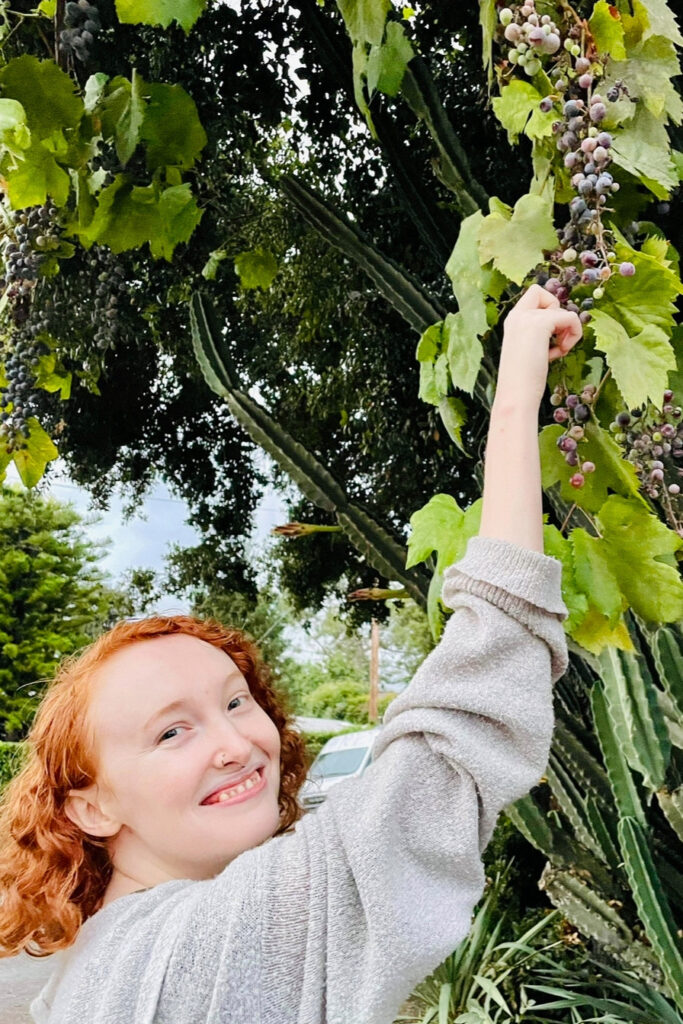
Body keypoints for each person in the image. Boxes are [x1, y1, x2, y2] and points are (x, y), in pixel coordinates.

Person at [0, 284, 581, 1024]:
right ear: (92, 805)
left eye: (235, 702)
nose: (234, 743)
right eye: (171, 731)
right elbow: (465, 716)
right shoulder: (206, 946)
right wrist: (514, 397)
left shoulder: (104, 968)